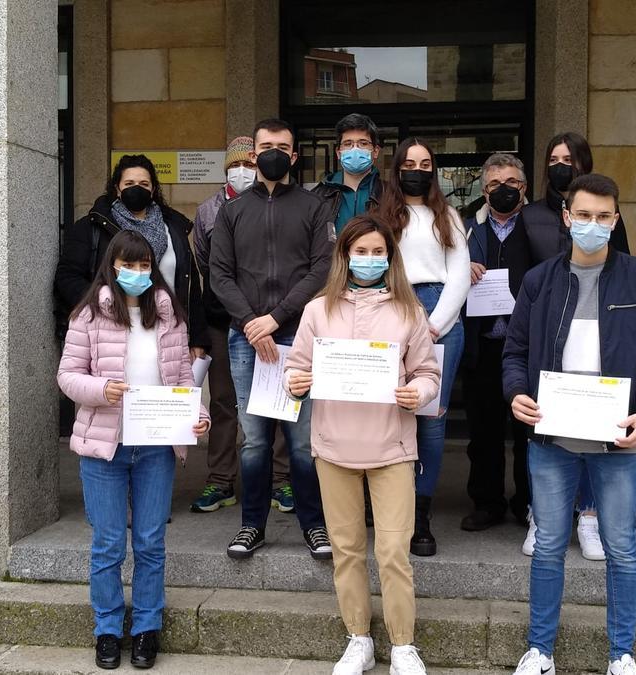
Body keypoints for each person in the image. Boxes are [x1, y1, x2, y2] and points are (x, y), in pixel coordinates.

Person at [503, 174, 636, 675]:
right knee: (550, 547)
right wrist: (516, 393)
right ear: (567, 217)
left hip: (618, 439)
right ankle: (540, 651)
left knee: (622, 549)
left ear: (616, 220)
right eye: (584, 215)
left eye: (604, 217)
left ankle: (622, 656)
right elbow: (514, 351)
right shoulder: (539, 281)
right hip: (552, 436)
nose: (593, 225)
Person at [286, 215, 440, 675]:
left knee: (393, 551)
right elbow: (294, 371)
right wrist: (298, 382)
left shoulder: (410, 311)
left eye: (378, 252)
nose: (369, 260)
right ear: (344, 256)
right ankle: (358, 638)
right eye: (361, 252)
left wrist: (421, 392)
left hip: (392, 446)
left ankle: (402, 645)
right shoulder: (318, 310)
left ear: (390, 257)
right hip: (334, 447)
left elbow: (428, 373)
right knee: (347, 548)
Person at [57, 230, 211, 671]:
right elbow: (67, 376)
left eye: (146, 266)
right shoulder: (88, 316)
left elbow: (184, 379)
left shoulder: (169, 317)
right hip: (103, 447)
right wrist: (102, 389)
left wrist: (198, 416)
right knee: (107, 544)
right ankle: (107, 628)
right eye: (130, 265)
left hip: (154, 448)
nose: (138, 274)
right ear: (112, 265)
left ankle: (146, 626)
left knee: (149, 542)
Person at [211, 118, 334, 560]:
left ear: (294, 155)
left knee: (302, 440)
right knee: (256, 439)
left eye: (283, 146)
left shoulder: (314, 207)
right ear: (253, 153)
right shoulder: (231, 211)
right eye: (266, 146)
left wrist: (276, 317)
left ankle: (314, 525)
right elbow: (219, 275)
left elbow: (322, 268)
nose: (274, 153)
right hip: (247, 341)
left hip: (299, 336)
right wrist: (251, 322)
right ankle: (251, 526)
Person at [518, 132, 633, 561]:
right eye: (554, 158)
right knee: (547, 435)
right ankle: (541, 515)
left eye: (569, 158)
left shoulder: (608, 222)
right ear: (568, 216)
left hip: (598, 344)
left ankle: (588, 517)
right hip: (547, 336)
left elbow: (625, 273)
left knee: (593, 428)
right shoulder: (533, 216)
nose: (560, 165)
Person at [376, 138, 471, 557]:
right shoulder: (380, 216)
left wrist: (432, 326)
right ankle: (389, 511)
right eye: (409, 163)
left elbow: (460, 275)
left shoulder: (447, 214)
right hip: (390, 309)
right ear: (396, 170)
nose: (417, 169)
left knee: (430, 419)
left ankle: (421, 515)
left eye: (425, 163)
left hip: (439, 319)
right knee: (392, 412)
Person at [190, 136, 294, 514]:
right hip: (224, 322)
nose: (245, 171)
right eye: (239, 165)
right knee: (223, 402)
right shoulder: (208, 211)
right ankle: (220, 480)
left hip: (276, 321)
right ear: (228, 168)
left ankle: (281, 481)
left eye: (250, 165)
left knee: (280, 401)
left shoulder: (283, 204)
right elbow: (207, 266)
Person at [460, 153, 548, 533]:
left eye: (511, 183)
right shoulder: (466, 230)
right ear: (484, 190)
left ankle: (528, 502)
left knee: (529, 430)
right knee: (483, 431)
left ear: (524, 187)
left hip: (527, 349)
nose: (503, 190)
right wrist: (461, 267)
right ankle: (487, 502)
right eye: (495, 185)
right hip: (482, 346)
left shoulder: (541, 226)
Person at [55, 154, 208, 357]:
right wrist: (104, 301)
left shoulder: (174, 228)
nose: (137, 188)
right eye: (129, 183)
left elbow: (190, 285)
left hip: (168, 334)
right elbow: (67, 277)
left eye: (144, 183)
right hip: (110, 333)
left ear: (153, 189)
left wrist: (197, 338)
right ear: (117, 188)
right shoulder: (91, 227)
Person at [312, 113, 384, 235]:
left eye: (363, 143)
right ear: (338, 153)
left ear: (375, 151)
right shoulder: (318, 196)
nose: (355, 149)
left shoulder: (389, 193)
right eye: (348, 143)